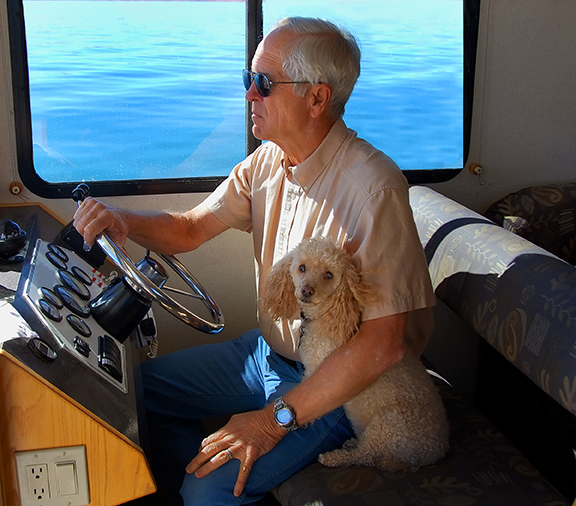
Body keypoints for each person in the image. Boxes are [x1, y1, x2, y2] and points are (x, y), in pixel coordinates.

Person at [73, 16, 436, 506]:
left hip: (335, 383)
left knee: (206, 490)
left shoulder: (373, 187)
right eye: (249, 80)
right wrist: (121, 219)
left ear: (316, 99)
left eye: (263, 83)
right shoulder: (269, 160)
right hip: (264, 355)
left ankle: (207, 488)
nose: (248, 95)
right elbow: (191, 228)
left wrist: (272, 420)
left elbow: (383, 346)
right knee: (130, 394)